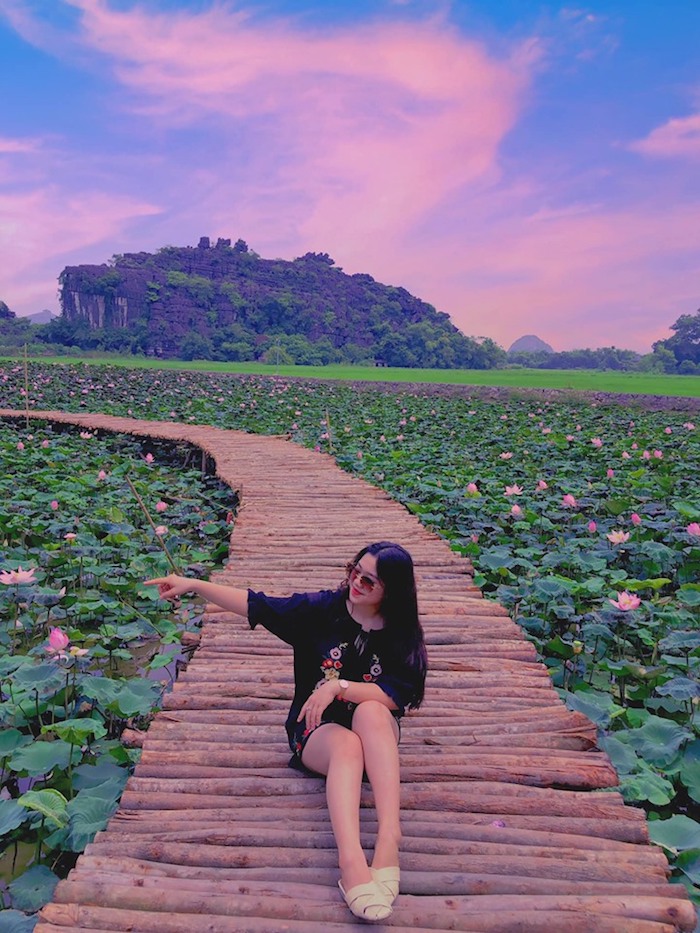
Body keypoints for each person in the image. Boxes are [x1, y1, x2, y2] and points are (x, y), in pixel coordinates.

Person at [146, 541, 427, 922]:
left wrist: (337, 687)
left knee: (373, 711)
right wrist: (195, 585)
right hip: (318, 733)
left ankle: (389, 837)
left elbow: (400, 693)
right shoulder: (321, 611)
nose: (356, 582)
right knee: (346, 745)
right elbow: (257, 604)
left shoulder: (400, 629)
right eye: (354, 571)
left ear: (391, 590)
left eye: (370, 580)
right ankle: (351, 860)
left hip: (375, 733)